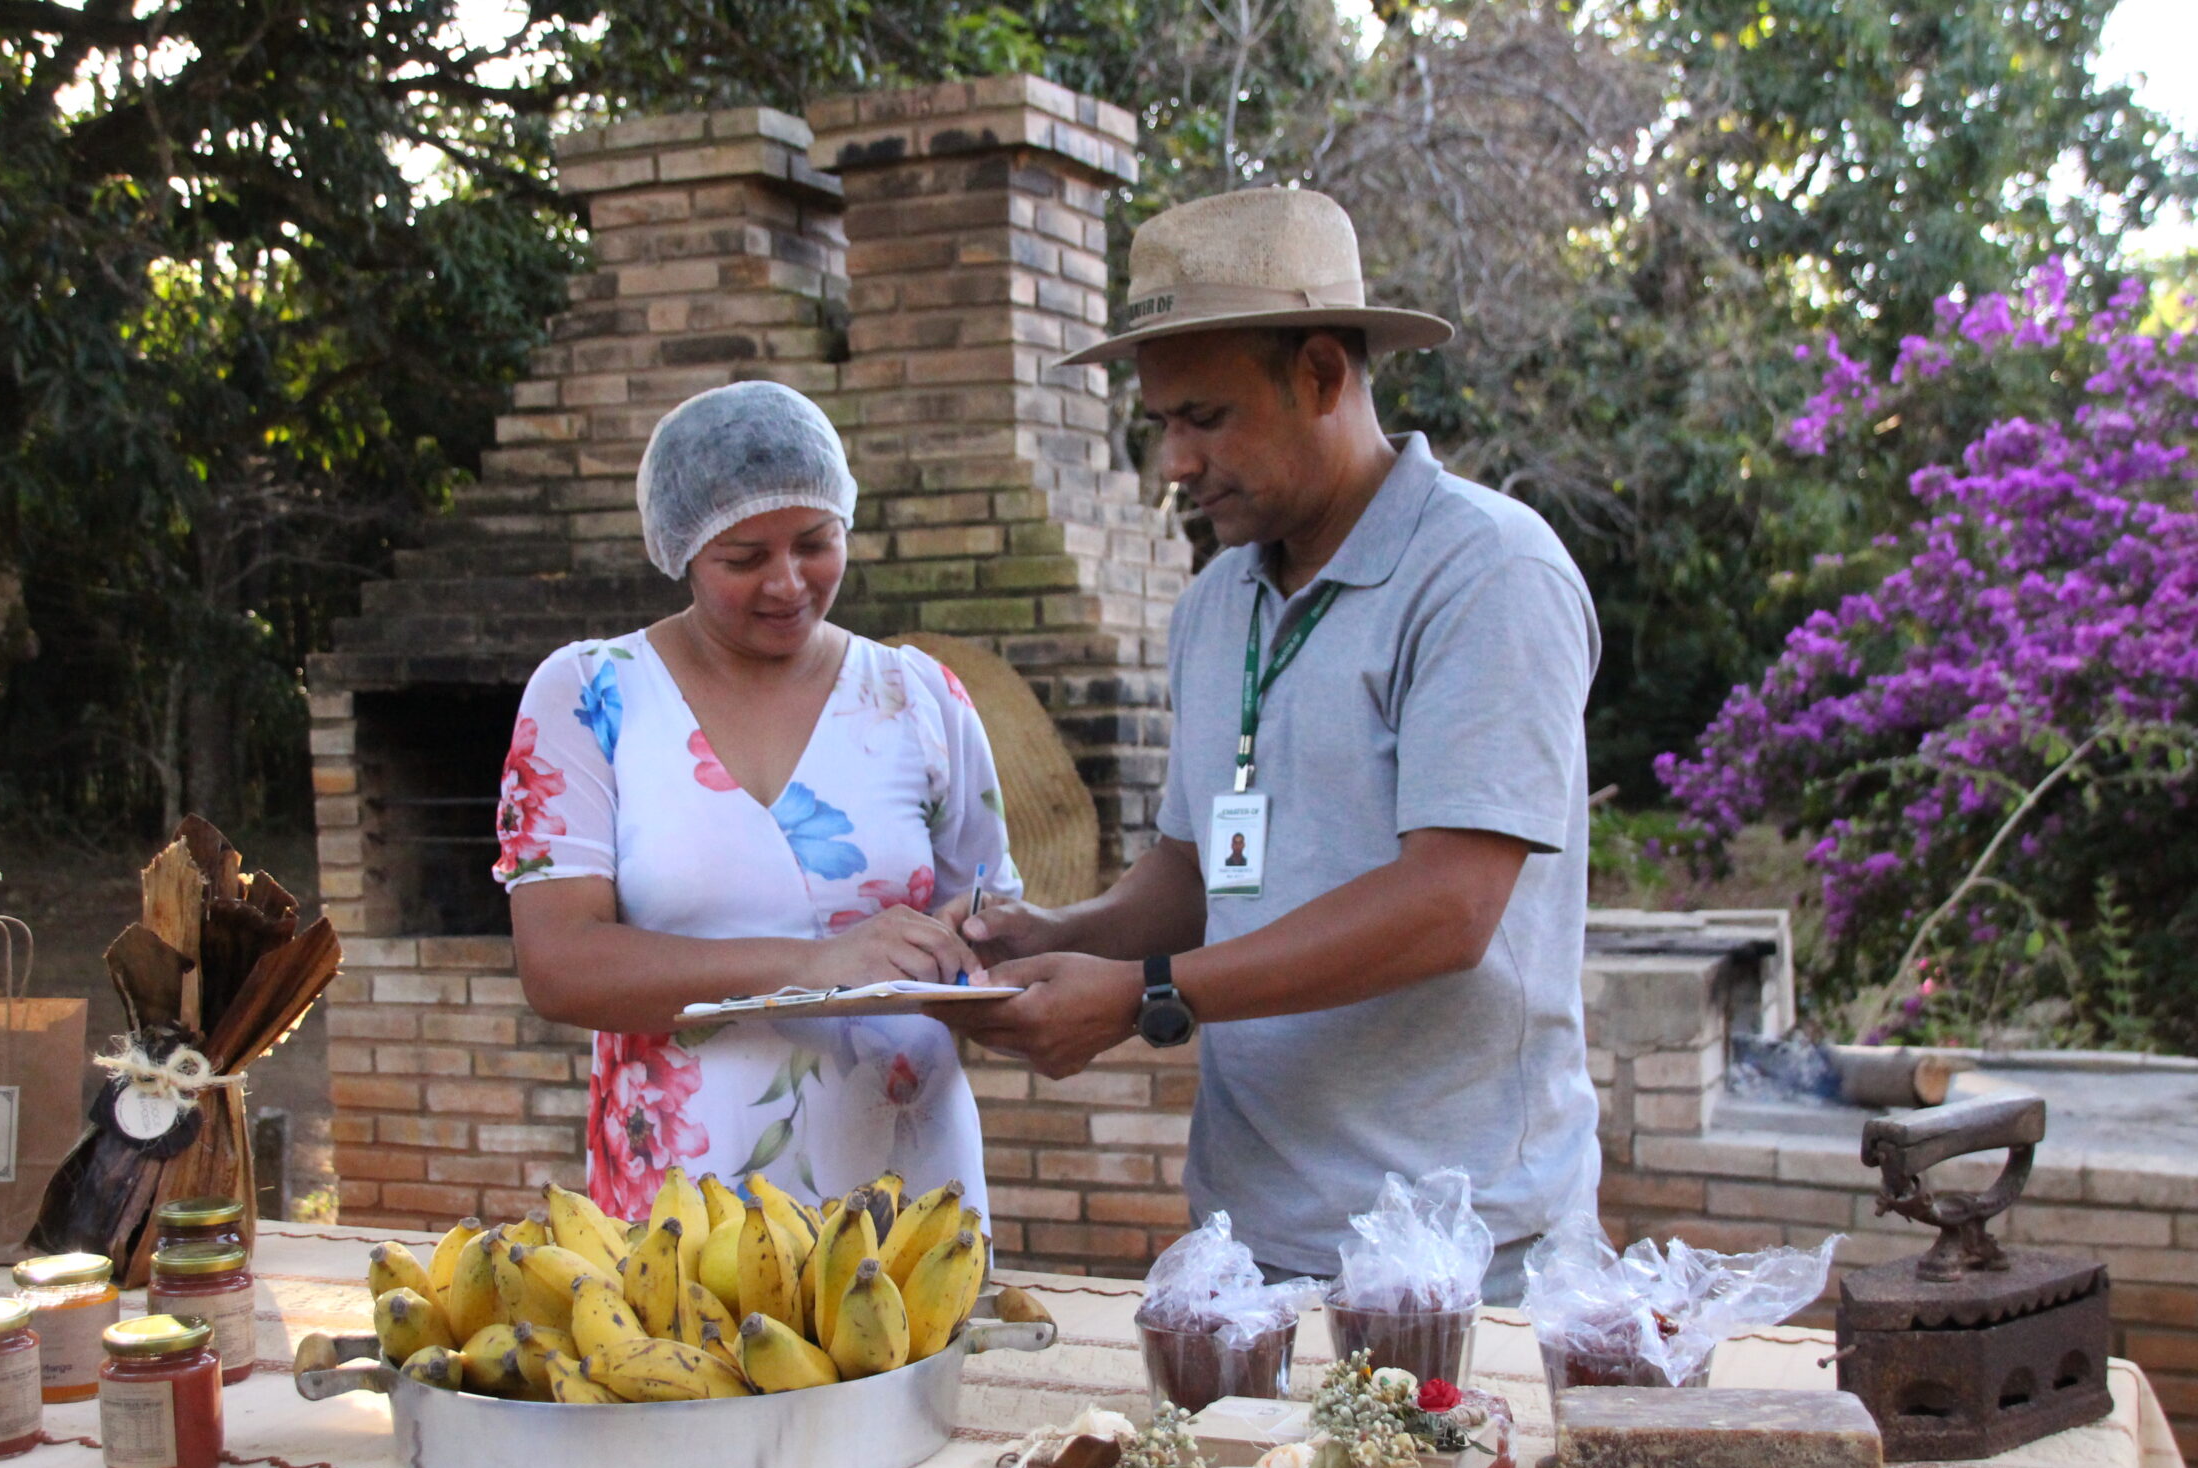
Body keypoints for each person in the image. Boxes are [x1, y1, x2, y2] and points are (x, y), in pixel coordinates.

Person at [941, 189, 1600, 1304]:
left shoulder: (1486, 575)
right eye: (1160, 423)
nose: (1174, 463)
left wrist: (1146, 992)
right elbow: (1202, 876)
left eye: (1206, 415)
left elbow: (1449, 908)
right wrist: (1057, 937)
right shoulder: (1213, 608)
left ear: (1323, 375)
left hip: (1462, 1253)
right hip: (1248, 1241)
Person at [497, 380, 1022, 1220]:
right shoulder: (592, 696)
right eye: (743, 558)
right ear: (682, 550)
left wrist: (980, 943)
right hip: (684, 1205)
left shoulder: (919, 698)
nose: (787, 583)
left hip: (903, 1186)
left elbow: (995, 911)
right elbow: (559, 967)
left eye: (816, 542)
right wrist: (813, 965)